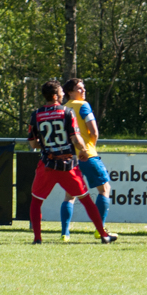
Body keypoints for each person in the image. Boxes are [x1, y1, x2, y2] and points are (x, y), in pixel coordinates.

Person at [27, 80, 116, 244]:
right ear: (55, 96)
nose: (63, 94)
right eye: (61, 92)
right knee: (86, 200)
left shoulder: (36, 114)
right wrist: (83, 150)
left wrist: (47, 146)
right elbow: (75, 138)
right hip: (67, 165)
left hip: (47, 164)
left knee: (36, 201)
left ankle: (37, 238)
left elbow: (33, 143)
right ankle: (103, 235)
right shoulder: (67, 112)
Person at [58, 79, 112, 242]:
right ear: (70, 92)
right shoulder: (83, 106)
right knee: (104, 189)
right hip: (87, 154)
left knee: (70, 195)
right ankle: (100, 230)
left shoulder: (62, 109)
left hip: (69, 157)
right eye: (79, 88)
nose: (83, 91)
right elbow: (94, 131)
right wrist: (91, 147)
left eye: (83, 88)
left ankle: (65, 233)